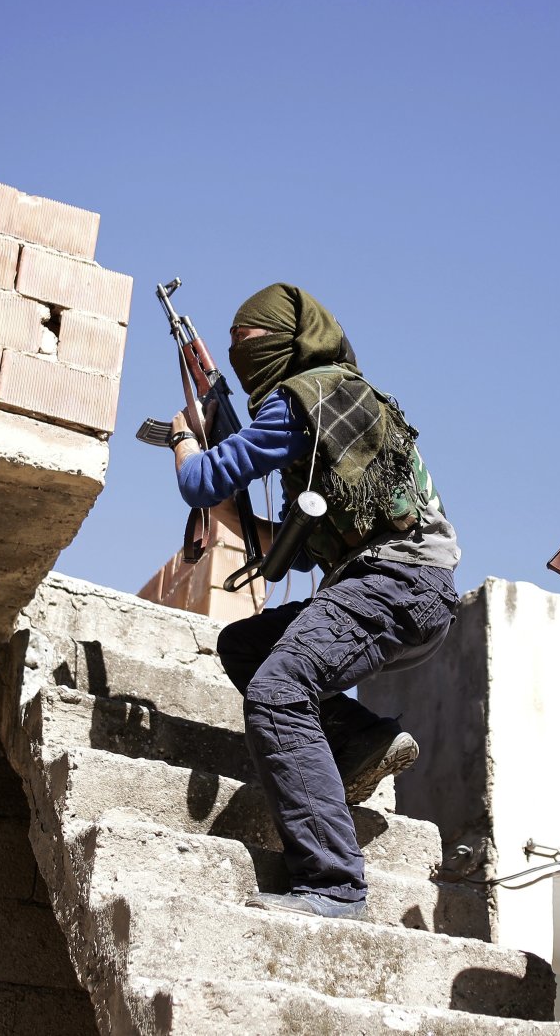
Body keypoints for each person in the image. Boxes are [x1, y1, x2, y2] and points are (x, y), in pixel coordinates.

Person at [167, 282, 460, 921]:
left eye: (248, 341)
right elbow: (298, 550)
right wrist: (240, 516)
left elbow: (200, 480)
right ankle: (363, 742)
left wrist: (186, 437)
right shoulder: (337, 405)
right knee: (244, 645)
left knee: (277, 691)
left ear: (287, 341)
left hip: (394, 584)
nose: (240, 354)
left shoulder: (306, 398)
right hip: (402, 587)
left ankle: (333, 881)